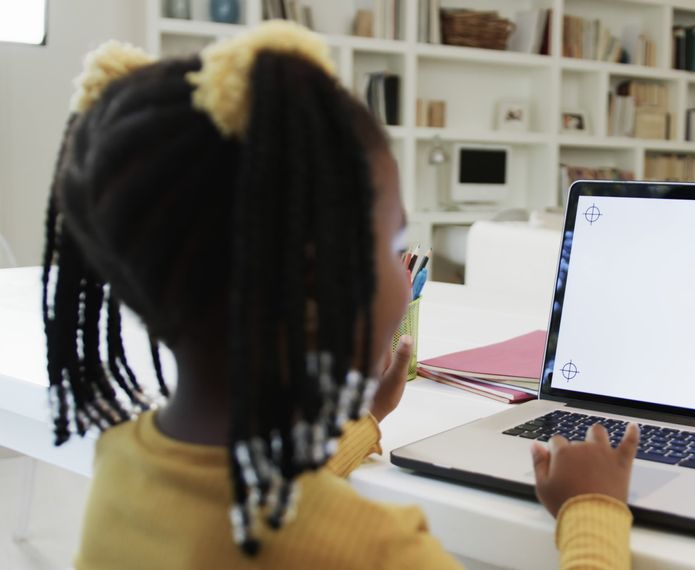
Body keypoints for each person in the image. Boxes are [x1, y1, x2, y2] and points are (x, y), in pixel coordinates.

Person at [42, 21, 639, 569]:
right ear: (313, 279)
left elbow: (258, 491)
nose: (406, 274)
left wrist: (363, 423)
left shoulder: (124, 462)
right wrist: (592, 508)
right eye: (393, 244)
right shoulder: (376, 549)